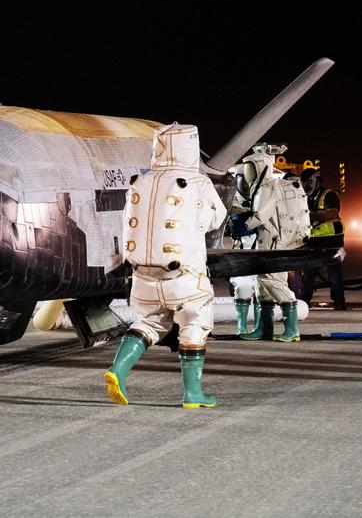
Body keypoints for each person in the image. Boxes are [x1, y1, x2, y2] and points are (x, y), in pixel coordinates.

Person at [104, 123, 226, 408]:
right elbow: (215, 219)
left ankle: (118, 371)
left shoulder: (140, 180)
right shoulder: (197, 182)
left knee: (148, 323)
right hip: (185, 277)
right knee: (195, 324)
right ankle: (193, 394)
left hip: (143, 276)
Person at [238, 148, 310, 342]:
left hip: (274, 243)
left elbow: (261, 215)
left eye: (251, 169)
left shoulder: (268, 188)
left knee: (273, 281)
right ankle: (264, 328)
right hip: (267, 242)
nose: (248, 174)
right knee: (263, 283)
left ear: (261, 168)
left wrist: (243, 225)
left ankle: (292, 329)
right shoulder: (264, 187)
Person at [297, 168, 346, 310]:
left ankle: (339, 302)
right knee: (308, 273)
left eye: (308, 182)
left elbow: (331, 213)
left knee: (334, 273)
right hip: (314, 240)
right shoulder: (307, 196)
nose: (306, 185)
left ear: (315, 180)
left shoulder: (329, 194)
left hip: (331, 239)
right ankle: (304, 303)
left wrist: (308, 215)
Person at [228, 163, 259, 335]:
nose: (246, 185)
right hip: (242, 248)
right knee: (243, 286)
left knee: (265, 288)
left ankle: (261, 326)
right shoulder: (230, 200)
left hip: (262, 247)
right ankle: (242, 326)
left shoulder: (263, 196)